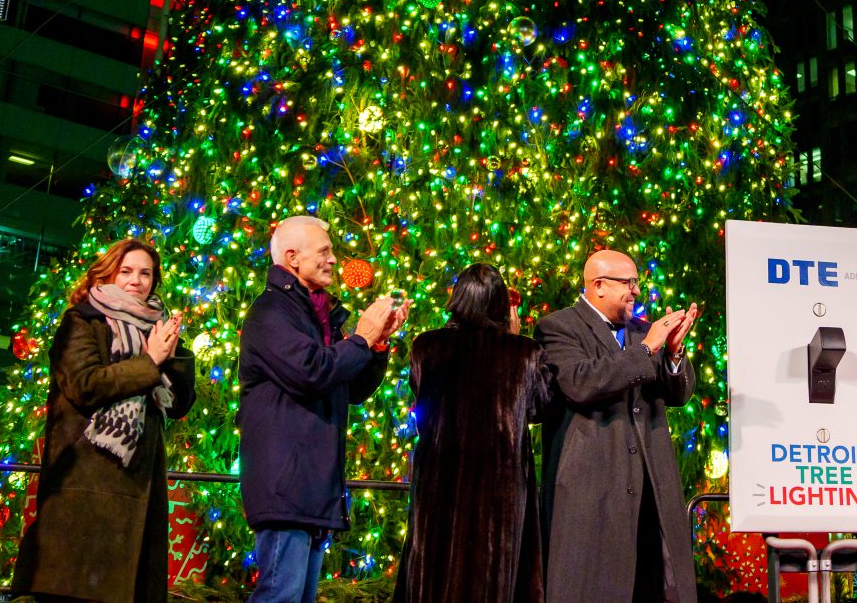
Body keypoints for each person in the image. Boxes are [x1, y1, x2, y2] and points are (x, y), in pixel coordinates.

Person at [12, 238, 197, 603]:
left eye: (146, 273)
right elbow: (84, 385)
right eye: (126, 271)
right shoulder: (82, 321)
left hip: (139, 487)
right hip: (87, 490)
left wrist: (172, 357)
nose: (136, 280)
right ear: (107, 273)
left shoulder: (156, 329)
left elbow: (177, 406)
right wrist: (149, 362)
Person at [239, 214, 408, 603]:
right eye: (325, 251)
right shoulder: (271, 313)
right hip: (286, 486)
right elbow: (312, 372)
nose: (334, 259)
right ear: (293, 258)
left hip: (313, 486)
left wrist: (376, 345)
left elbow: (351, 388)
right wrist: (361, 338)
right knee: (279, 596)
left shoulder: (319, 317)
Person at [537, 248, 700, 602]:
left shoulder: (644, 331)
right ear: (598, 286)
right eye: (628, 282)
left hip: (649, 486)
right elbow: (581, 382)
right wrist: (646, 350)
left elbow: (678, 394)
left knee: (653, 585)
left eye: (637, 282)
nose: (636, 291)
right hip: (593, 487)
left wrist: (673, 353)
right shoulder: (559, 327)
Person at [395, 264, 554, 603]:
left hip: (438, 485)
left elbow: (418, 395)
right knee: (492, 576)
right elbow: (540, 408)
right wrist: (512, 338)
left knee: (433, 570)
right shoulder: (524, 353)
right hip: (499, 494)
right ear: (499, 304)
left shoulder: (426, 347)